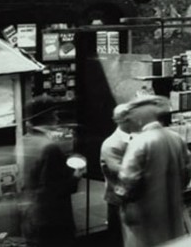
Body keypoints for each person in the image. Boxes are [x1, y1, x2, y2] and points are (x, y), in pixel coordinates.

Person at [115, 96, 191, 247]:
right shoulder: (176, 138)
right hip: (173, 215)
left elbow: (127, 182)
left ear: (139, 119)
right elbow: (187, 174)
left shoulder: (139, 142)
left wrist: (121, 200)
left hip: (146, 220)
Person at [20, 99, 87, 247]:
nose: (57, 118)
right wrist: (76, 176)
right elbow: (53, 189)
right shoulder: (50, 147)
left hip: (31, 215)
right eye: (54, 114)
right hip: (52, 220)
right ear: (45, 117)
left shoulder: (25, 141)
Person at [100, 102, 138, 245]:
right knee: (119, 240)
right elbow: (121, 173)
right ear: (123, 120)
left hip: (133, 200)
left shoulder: (134, 139)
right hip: (120, 201)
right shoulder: (111, 144)